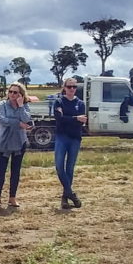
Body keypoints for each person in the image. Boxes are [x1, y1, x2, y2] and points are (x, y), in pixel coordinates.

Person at [0, 82, 33, 208]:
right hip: (5, 141)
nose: (12, 94)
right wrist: (18, 124)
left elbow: (26, 119)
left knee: (15, 171)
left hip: (19, 142)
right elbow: (1, 119)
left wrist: (20, 107)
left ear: (21, 94)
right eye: (11, 92)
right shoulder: (3, 104)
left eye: (16, 92)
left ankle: (12, 198)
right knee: (1, 171)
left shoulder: (24, 105)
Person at [53, 77, 87, 210]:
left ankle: (65, 198)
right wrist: (75, 118)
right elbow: (59, 119)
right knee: (59, 167)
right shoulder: (59, 101)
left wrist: (70, 118)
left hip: (75, 138)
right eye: (69, 86)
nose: (72, 89)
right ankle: (71, 193)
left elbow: (82, 120)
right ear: (64, 88)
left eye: (74, 87)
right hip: (62, 137)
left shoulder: (81, 103)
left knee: (70, 168)